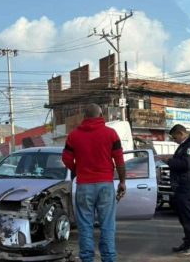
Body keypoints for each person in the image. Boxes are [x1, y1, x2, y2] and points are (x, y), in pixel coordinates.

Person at [61, 103, 126, 262]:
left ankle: (87, 259)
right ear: (101, 116)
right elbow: (119, 160)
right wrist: (122, 181)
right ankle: (109, 258)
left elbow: (66, 158)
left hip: (84, 186)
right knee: (107, 226)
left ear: (84, 117)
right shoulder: (111, 134)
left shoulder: (74, 135)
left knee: (85, 227)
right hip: (105, 184)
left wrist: (77, 171)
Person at [166, 124, 190, 257]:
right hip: (181, 185)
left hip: (187, 185)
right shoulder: (184, 145)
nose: (174, 140)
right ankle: (187, 243)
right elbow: (181, 159)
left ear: (181, 133)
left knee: (189, 216)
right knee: (183, 216)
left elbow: (187, 164)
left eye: (174, 137)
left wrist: (169, 161)